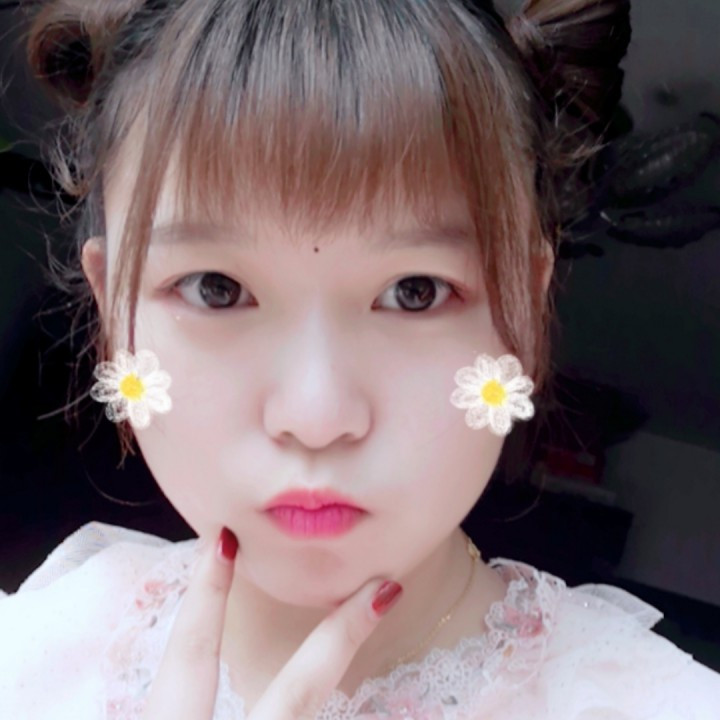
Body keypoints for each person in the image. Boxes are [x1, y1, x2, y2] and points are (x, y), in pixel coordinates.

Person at [2, 0, 719, 717]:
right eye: (216, 288)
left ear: (525, 319)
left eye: (415, 291)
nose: (315, 417)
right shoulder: (37, 651)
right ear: (113, 312)